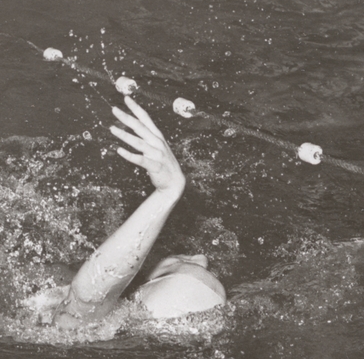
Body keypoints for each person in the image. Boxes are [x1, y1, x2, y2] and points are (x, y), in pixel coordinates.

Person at [37, 97, 227, 331]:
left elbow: (87, 299)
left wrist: (168, 192)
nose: (202, 258)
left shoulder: (83, 327)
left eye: (175, 266)